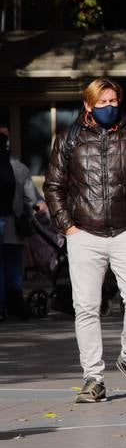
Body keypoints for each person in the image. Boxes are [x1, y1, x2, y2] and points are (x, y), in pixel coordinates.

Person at [44, 78, 126, 402]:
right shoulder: (68, 138)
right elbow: (53, 186)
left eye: (113, 101)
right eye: (103, 102)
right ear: (88, 105)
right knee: (86, 307)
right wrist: (68, 226)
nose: (109, 107)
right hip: (84, 233)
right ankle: (93, 378)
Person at [1, 126, 46, 322]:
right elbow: (31, 199)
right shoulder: (19, 168)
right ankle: (16, 303)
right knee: (12, 266)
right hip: (13, 225)